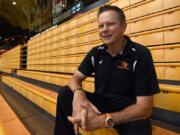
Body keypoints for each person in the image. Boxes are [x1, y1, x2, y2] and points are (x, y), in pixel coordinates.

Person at [54, 5, 160, 135]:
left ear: (123, 27)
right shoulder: (96, 52)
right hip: (101, 104)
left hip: (128, 110)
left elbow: (145, 108)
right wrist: (78, 93)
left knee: (140, 130)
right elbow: (75, 78)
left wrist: (104, 120)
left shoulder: (140, 54)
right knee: (65, 93)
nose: (104, 30)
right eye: (101, 26)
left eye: (110, 24)